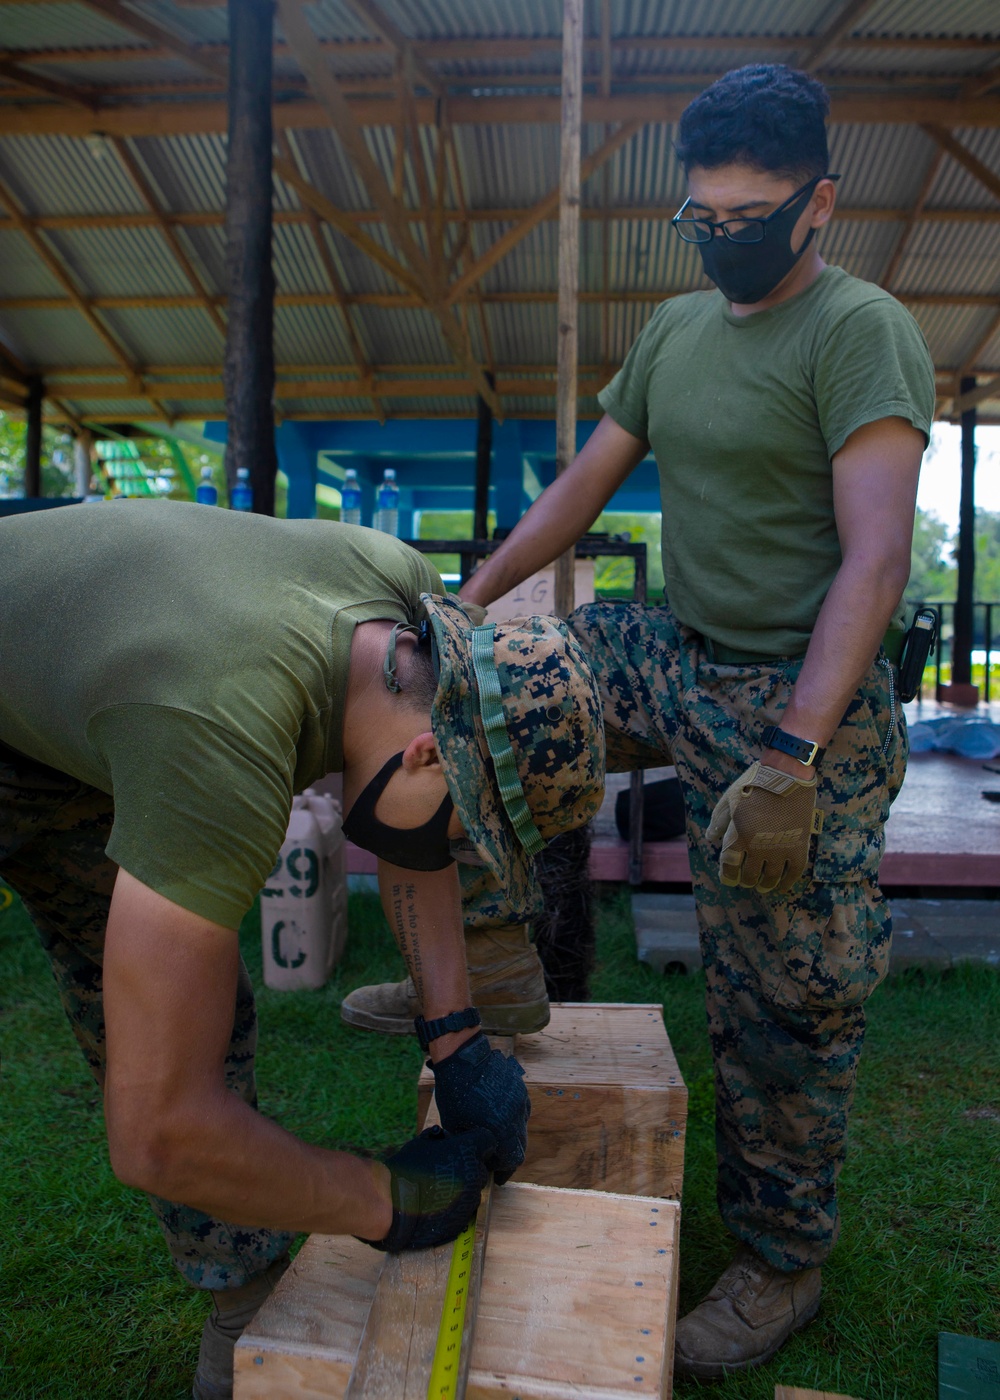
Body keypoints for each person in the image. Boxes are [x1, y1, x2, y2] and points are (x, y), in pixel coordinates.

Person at [351, 63, 936, 1378]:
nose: (726, 238)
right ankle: (491, 956)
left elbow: (877, 559)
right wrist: (473, 602)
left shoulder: (862, 330)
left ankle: (781, 1263)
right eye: (705, 218)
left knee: (784, 998)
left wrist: (792, 755)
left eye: (752, 215)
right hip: (678, 651)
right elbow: (585, 486)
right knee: (481, 685)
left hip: (804, 703)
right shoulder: (677, 330)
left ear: (819, 204)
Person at [0, 498, 605, 1399]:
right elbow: (157, 1135)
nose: (450, 846)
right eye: (465, 826)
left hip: (91, 689)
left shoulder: (403, 605)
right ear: (430, 753)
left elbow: (411, 824)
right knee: (174, 1070)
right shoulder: (219, 739)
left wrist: (457, 1038)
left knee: (192, 1012)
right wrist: (383, 1203)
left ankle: (242, 1296)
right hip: (109, 697)